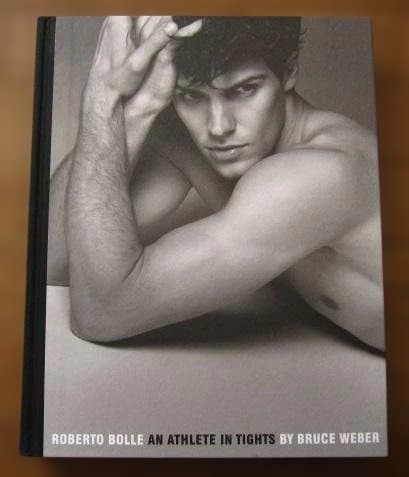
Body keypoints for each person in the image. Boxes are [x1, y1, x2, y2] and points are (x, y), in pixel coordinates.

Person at [48, 16, 384, 350]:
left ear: (288, 71)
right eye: (191, 96)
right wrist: (136, 110)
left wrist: (103, 98)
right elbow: (52, 261)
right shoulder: (195, 141)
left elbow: (102, 314)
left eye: (244, 90)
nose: (218, 127)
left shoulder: (322, 174)